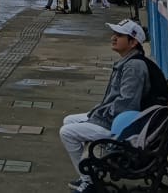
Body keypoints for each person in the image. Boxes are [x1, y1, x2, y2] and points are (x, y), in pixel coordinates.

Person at [59, 20, 157, 191]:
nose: (113, 38)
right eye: (114, 34)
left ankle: (89, 181)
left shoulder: (134, 67)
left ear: (133, 42)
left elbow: (126, 104)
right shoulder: (130, 61)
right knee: (69, 120)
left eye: (119, 36)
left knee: (67, 132)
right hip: (116, 119)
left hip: (120, 127)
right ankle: (92, 170)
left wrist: (99, 116)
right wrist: (98, 112)